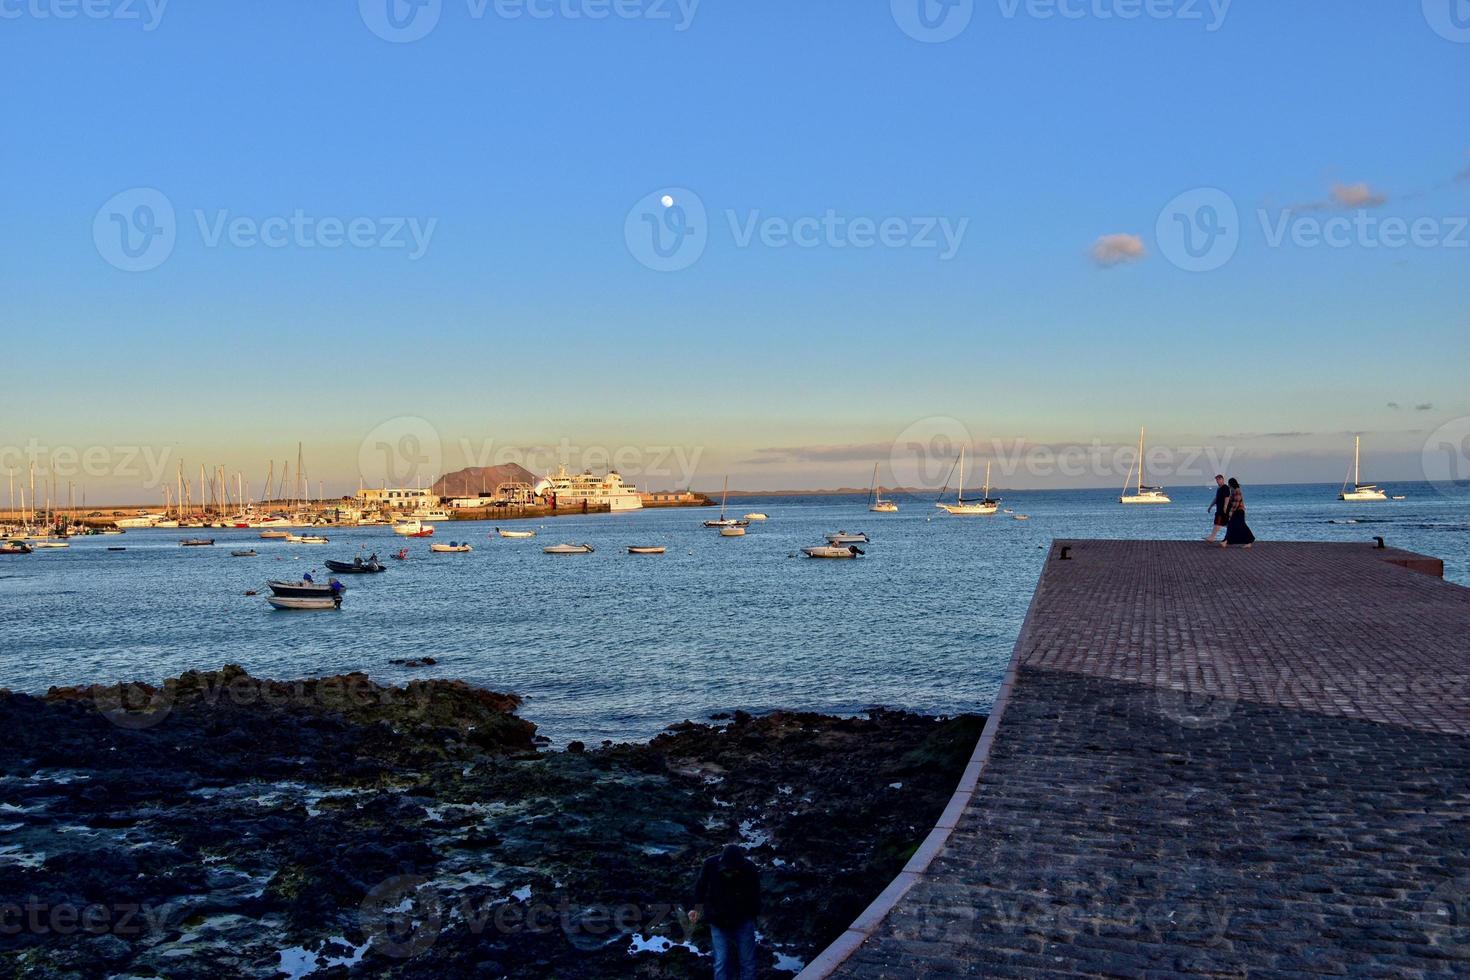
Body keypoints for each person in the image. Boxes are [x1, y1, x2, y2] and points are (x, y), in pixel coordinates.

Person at [689, 844, 761, 980]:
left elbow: (755, 895)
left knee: (748, 962)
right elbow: (700, 887)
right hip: (718, 921)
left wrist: (753, 917)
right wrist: (696, 909)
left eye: (735, 870)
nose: (732, 872)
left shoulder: (750, 868)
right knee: (721, 962)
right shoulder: (710, 865)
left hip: (743, 920)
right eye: (729, 870)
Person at [1221, 478, 1255, 548]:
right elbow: (1231, 501)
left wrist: (1230, 512)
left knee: (1238, 526)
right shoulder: (1233, 491)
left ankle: (1226, 541)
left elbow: (1236, 503)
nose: (1228, 485)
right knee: (1235, 526)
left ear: (1231, 484)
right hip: (1237, 511)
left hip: (1238, 511)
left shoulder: (1237, 491)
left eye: (1229, 483)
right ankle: (1226, 541)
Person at [1206, 474, 1229, 542]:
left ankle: (1212, 537)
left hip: (1222, 510)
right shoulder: (1219, 489)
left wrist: (1225, 506)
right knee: (1227, 524)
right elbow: (1216, 498)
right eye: (1216, 480)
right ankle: (1229, 538)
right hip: (1219, 509)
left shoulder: (1225, 487)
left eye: (1219, 480)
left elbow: (1227, 497)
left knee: (1217, 523)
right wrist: (1210, 506)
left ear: (1222, 479)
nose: (1217, 482)